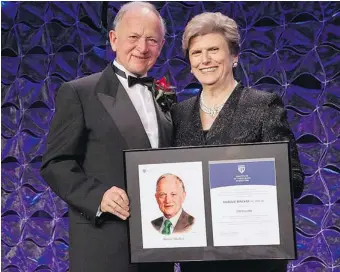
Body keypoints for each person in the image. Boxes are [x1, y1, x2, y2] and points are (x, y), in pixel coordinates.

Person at [40, 2, 174, 272]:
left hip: (157, 250)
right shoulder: (79, 92)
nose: (142, 47)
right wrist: (97, 195)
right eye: (133, 37)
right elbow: (55, 164)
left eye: (152, 40)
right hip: (104, 248)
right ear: (114, 40)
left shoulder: (167, 97)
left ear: (160, 46)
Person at [171, 12, 304, 272]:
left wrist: (249, 191)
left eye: (213, 50)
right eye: (196, 53)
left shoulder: (263, 104)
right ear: (189, 62)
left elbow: (294, 179)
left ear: (234, 57)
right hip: (198, 258)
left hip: (253, 257)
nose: (205, 59)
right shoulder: (178, 113)